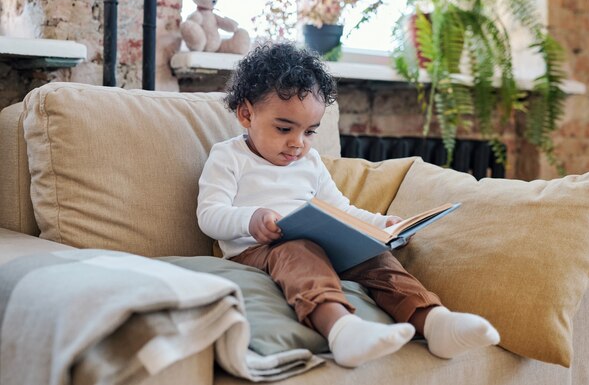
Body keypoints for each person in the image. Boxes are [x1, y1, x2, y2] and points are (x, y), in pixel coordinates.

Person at [197, 42, 500, 368]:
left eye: (309, 132)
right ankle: (342, 331)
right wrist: (250, 219)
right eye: (284, 128)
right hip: (257, 250)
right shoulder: (229, 156)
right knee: (297, 249)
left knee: (376, 255)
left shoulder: (309, 161)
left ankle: (434, 321)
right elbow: (208, 214)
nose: (297, 143)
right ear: (246, 113)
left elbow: (340, 208)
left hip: (317, 243)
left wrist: (381, 225)